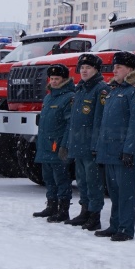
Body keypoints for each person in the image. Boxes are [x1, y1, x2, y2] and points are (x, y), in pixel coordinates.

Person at [94, 51, 135, 242]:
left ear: (130, 69)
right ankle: (115, 225)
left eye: (119, 67)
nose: (114, 70)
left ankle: (125, 229)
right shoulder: (115, 90)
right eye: (114, 66)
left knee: (125, 193)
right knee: (115, 192)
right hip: (109, 150)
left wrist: (130, 150)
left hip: (124, 152)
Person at [65, 54, 109, 230]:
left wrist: (96, 145)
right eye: (82, 68)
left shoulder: (101, 90)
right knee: (82, 181)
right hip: (78, 144)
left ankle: (94, 215)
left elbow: (100, 120)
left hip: (91, 145)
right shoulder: (80, 89)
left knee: (93, 182)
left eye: (88, 68)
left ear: (96, 70)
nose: (84, 70)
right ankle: (84, 211)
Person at [32, 64, 76, 221]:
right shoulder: (49, 97)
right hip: (45, 144)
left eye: (57, 79)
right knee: (48, 178)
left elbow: (70, 125)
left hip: (57, 146)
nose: (54, 81)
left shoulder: (69, 97)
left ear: (64, 79)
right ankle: (51, 206)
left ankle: (63, 209)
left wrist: (64, 145)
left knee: (61, 179)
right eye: (52, 78)